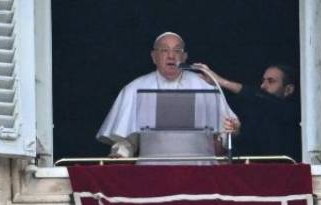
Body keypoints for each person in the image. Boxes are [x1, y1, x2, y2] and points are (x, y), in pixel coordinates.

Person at [97, 32, 238, 158]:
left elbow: (226, 131)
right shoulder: (134, 88)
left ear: (184, 57)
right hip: (152, 170)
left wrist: (230, 132)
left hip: (200, 168)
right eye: (164, 50)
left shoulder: (205, 85)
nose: (171, 56)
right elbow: (125, 140)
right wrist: (121, 153)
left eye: (177, 50)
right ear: (153, 57)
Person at [194, 63, 301, 162]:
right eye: (263, 81)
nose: (263, 86)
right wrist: (236, 132)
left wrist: (220, 81)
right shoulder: (255, 113)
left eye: (271, 81)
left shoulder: (294, 111)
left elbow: (258, 97)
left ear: (288, 90)